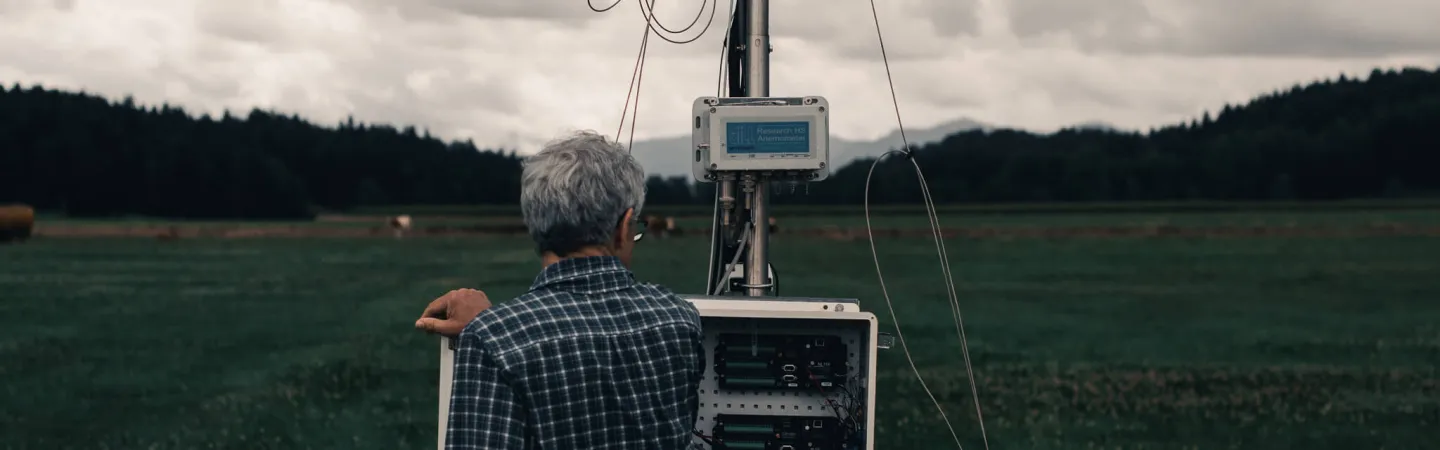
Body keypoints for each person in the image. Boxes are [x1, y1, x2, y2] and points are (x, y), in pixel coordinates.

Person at [415, 130, 705, 449]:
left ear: (535, 223)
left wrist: (491, 331)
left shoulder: (494, 342)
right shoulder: (680, 321)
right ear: (623, 228)